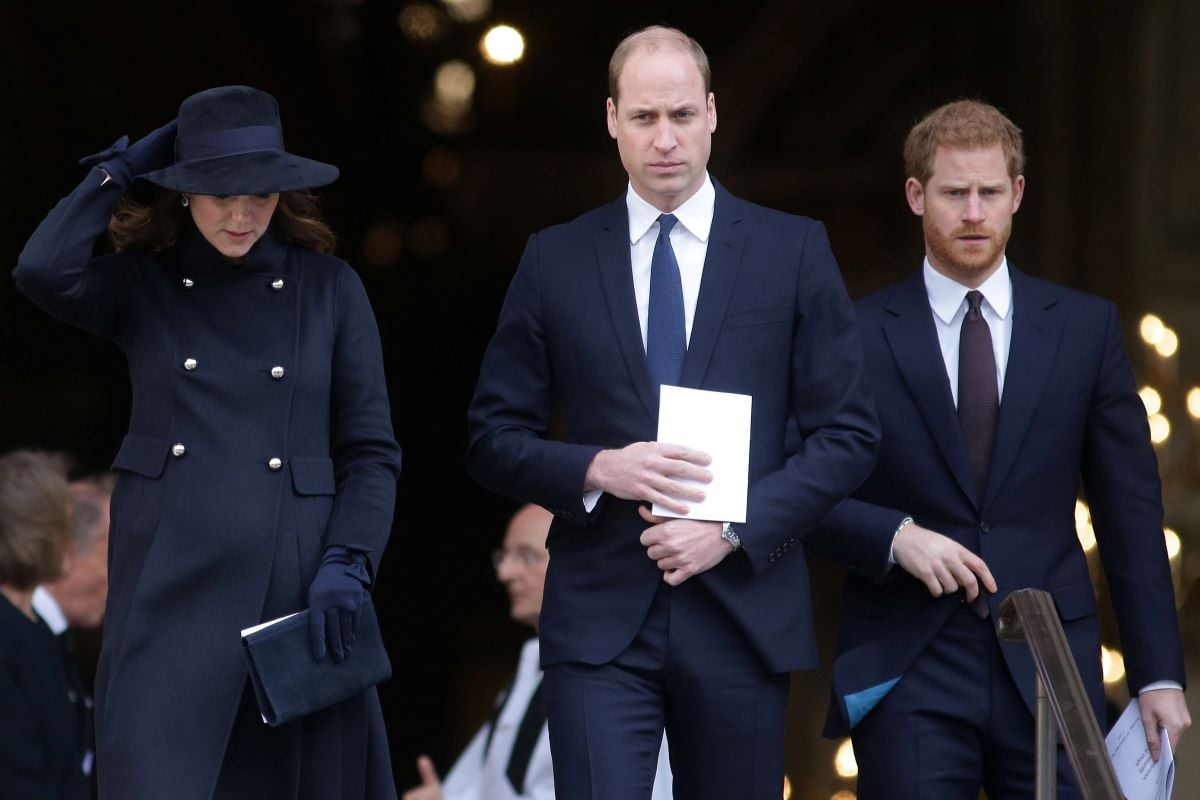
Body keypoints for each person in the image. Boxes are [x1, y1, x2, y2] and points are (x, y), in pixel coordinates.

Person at [466, 25, 879, 799]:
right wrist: (597, 466)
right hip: (598, 618)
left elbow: (849, 435)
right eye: (647, 117)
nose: (666, 139)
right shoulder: (553, 259)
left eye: (682, 116)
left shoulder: (792, 251)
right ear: (613, 119)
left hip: (742, 612)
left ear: (714, 115)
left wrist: (732, 530)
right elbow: (491, 437)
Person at [14, 85, 403, 800]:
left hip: (296, 599)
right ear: (184, 192)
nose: (242, 212)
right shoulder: (147, 285)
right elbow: (43, 271)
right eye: (219, 191)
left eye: (259, 192)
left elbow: (372, 451)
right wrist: (125, 167)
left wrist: (349, 561)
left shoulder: (329, 290)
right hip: (169, 597)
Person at [805, 100, 1190, 798]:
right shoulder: (854, 334)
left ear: (1017, 193)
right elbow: (802, 488)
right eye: (954, 193)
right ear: (917, 196)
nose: (974, 212)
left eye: (989, 192)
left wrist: (1156, 673)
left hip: (1053, 662)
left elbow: (1129, 509)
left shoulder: (1084, 328)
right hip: (906, 657)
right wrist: (894, 537)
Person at [404, 504, 673, 800]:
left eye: (526, 556)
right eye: (503, 556)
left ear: (581, 567)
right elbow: (487, 785)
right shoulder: (532, 664)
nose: (504, 572)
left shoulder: (626, 677)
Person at [0, 449, 90, 799]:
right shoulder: (7, 632)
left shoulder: (36, 627)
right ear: (33, 532)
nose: (73, 542)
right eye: (64, 524)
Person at [32, 475, 115, 794]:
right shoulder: (14, 640)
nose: (119, 575)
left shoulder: (54, 642)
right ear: (67, 552)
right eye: (111, 552)